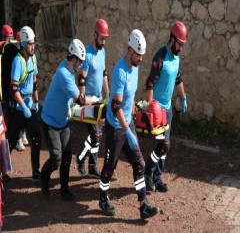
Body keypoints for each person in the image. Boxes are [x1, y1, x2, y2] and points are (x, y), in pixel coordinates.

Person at [99, 29, 159, 220]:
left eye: (142, 55)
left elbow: (128, 99)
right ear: (129, 50)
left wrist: (136, 109)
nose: (141, 59)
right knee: (110, 166)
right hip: (116, 126)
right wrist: (128, 131)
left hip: (128, 122)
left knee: (139, 164)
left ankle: (143, 206)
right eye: (138, 55)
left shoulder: (136, 66)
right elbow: (116, 106)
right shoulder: (119, 71)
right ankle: (102, 197)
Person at [40, 38, 99, 201]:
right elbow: (80, 100)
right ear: (73, 59)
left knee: (66, 157)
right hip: (50, 122)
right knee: (56, 159)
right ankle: (43, 179)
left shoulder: (68, 67)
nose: (81, 65)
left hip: (63, 121)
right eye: (79, 62)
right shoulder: (64, 74)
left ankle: (64, 190)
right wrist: (95, 99)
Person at [144, 21, 188, 193]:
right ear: (173, 39)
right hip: (157, 109)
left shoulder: (176, 58)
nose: (181, 48)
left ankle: (157, 177)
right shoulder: (160, 57)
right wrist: (150, 106)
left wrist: (183, 97)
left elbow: (178, 78)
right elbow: (149, 83)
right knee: (164, 144)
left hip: (168, 109)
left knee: (165, 147)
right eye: (180, 44)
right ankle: (148, 173)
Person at [6, 26, 41, 183]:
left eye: (34, 43)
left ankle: (35, 171)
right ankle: (3, 171)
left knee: (36, 137)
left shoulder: (33, 58)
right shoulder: (17, 61)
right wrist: (24, 106)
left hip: (30, 104)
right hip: (19, 107)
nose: (33, 47)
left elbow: (34, 81)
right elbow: (14, 88)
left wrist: (36, 100)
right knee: (11, 140)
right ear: (23, 44)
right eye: (30, 44)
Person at [76, 19, 109, 179]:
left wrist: (107, 93)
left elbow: (103, 73)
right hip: (89, 101)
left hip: (100, 100)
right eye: (101, 38)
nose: (103, 41)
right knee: (95, 135)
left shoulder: (102, 52)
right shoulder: (87, 55)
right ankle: (81, 158)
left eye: (105, 39)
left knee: (98, 135)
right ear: (95, 34)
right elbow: (81, 79)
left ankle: (92, 166)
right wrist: (82, 99)